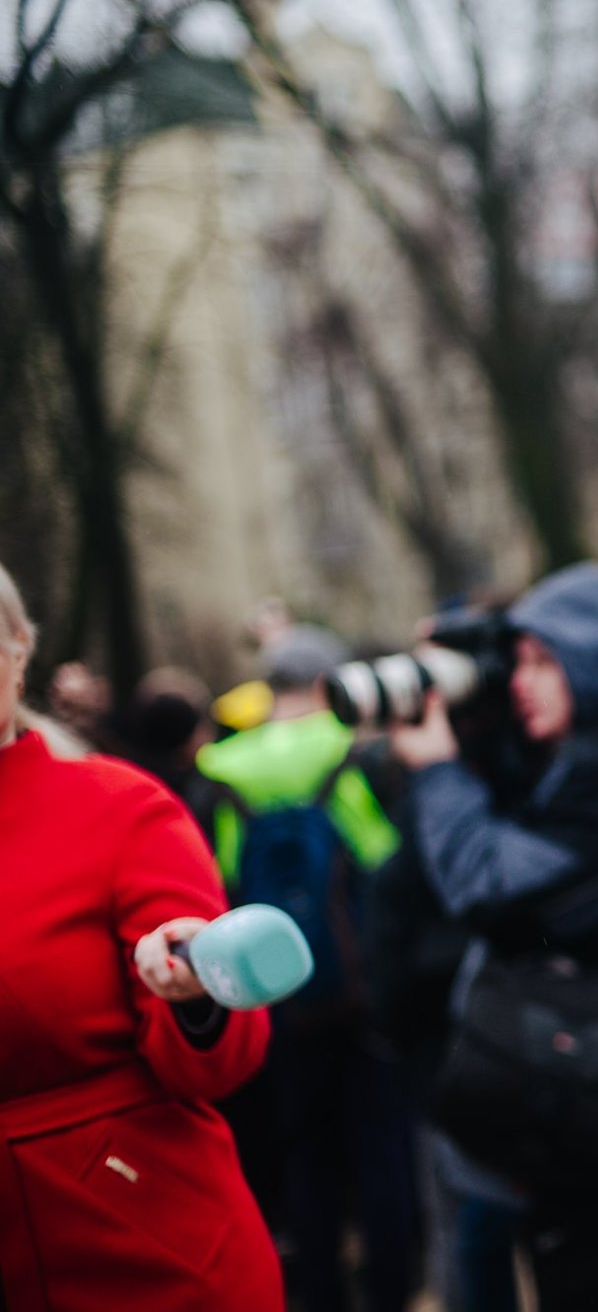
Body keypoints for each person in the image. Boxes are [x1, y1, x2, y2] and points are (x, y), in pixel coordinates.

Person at [391, 563, 598, 1311]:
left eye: (544, 661)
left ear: (597, 659)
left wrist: (439, 771)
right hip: (581, 1078)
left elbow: (486, 882)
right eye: (515, 661)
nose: (519, 683)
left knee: (596, 1280)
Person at [0, 559, 284, 1310]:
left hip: (144, 1250)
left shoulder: (118, 807)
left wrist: (195, 990)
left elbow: (223, 1056)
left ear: (19, 650)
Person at [193, 624, 421, 1312]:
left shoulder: (223, 769)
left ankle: (319, 1291)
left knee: (305, 1150)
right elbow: (388, 863)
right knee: (381, 1147)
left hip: (278, 999)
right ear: (329, 684)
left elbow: (224, 880)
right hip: (365, 995)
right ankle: (392, 1289)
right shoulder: (352, 752)